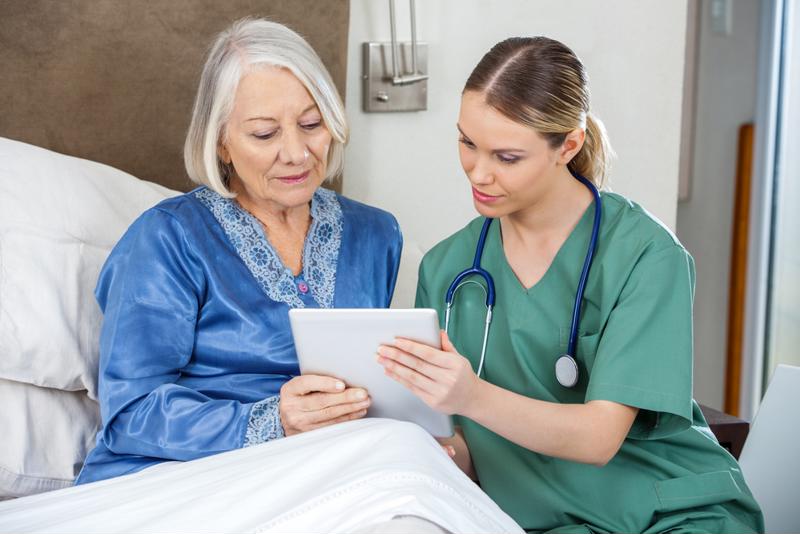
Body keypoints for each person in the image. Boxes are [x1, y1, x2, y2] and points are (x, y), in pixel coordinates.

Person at [377, 37, 764, 533]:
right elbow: (468, 452)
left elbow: (598, 438)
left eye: (507, 156)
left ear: (569, 145)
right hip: (541, 523)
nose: (478, 171)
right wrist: (423, 445)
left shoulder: (645, 255)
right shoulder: (447, 269)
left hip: (668, 515)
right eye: (467, 143)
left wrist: (468, 395)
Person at [76, 18, 401, 484]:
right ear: (221, 144)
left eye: (312, 124)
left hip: (326, 467)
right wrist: (275, 422)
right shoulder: (168, 238)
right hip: (181, 473)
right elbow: (131, 412)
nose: (297, 153)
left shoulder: (376, 234)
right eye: (265, 134)